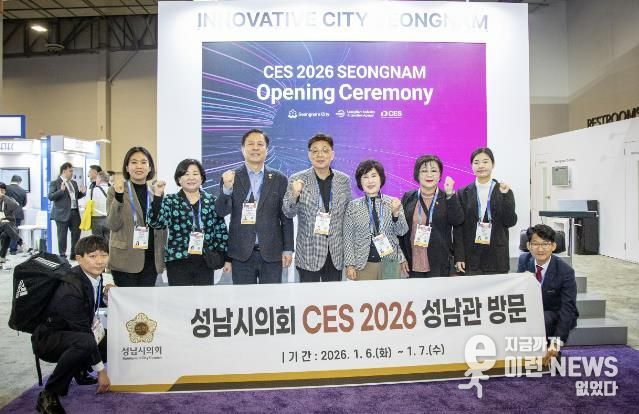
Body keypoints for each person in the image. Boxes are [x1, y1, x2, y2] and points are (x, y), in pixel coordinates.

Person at [31, 236, 112, 414]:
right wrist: (101, 372)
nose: (99, 261)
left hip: (70, 333)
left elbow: (90, 305)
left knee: (112, 339)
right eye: (93, 256)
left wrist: (108, 295)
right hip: (48, 340)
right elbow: (85, 332)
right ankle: (49, 394)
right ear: (79, 258)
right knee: (85, 342)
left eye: (104, 255)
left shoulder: (93, 276)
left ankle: (80, 370)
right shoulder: (70, 288)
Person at [216, 129, 294, 284]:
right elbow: (221, 211)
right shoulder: (231, 177)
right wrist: (226, 189)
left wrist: (288, 249)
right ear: (242, 149)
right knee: (243, 298)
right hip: (241, 254)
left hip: (272, 253)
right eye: (250, 144)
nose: (255, 148)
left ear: (267, 149)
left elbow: (286, 216)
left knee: (272, 297)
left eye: (260, 144)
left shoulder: (279, 179)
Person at [283, 133, 352, 283]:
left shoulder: (343, 180)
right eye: (315, 151)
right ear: (309, 155)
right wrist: (295, 194)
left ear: (332, 155)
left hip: (335, 254)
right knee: (308, 297)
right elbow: (288, 212)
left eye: (325, 150)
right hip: (308, 253)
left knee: (333, 297)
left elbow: (348, 218)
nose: (320, 155)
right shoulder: (297, 179)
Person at [148, 159, 229, 286]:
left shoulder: (212, 201)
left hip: (205, 260)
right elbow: (156, 223)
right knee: (180, 298)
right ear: (179, 179)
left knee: (203, 298)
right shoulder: (170, 201)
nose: (191, 177)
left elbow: (221, 231)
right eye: (186, 174)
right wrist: (158, 196)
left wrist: (225, 258)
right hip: (177, 260)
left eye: (195, 173)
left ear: (201, 178)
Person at [517, 224, 579, 365]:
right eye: (535, 244)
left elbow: (567, 309)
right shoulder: (524, 260)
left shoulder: (565, 271)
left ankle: (551, 350)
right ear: (528, 246)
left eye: (545, 244)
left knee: (544, 318)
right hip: (532, 309)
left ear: (553, 246)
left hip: (555, 313)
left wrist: (556, 342)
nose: (540, 249)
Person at [106, 147, 167, 287]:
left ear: (150, 167)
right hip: (125, 259)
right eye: (134, 162)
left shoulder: (154, 193)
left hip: (150, 259)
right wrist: (119, 197)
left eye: (143, 162)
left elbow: (160, 225)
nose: (139, 166)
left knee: (145, 300)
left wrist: (158, 199)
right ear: (127, 167)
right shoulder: (115, 190)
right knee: (126, 300)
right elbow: (112, 224)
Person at [453, 148, 517, 275]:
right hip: (470, 257)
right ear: (471, 166)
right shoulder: (462, 193)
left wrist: (505, 196)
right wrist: (459, 256)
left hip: (497, 256)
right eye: (476, 162)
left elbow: (510, 221)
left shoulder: (504, 190)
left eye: (485, 161)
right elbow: (458, 227)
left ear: (493, 164)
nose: (481, 166)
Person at [399, 155, 464, 278]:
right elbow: (401, 230)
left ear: (440, 175)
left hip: (439, 263)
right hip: (413, 262)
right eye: (424, 171)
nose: (429, 175)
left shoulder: (447, 197)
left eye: (434, 171)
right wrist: (401, 257)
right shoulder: (408, 197)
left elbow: (458, 222)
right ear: (417, 175)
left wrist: (450, 195)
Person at [344, 160, 408, 281]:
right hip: (363, 264)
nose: (370, 181)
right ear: (360, 181)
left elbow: (402, 231)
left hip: (390, 262)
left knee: (390, 294)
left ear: (381, 178)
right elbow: (348, 237)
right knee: (365, 294)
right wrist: (350, 264)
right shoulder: (353, 206)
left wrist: (395, 214)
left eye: (373, 176)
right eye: (365, 177)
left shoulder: (393, 202)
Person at [48, 163, 86, 259]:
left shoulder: (74, 183)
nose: (72, 173)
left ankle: (74, 254)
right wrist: (61, 191)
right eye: (70, 171)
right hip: (62, 214)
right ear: (64, 171)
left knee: (76, 234)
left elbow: (75, 197)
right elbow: (51, 196)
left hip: (74, 212)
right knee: (62, 236)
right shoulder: (55, 183)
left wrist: (82, 193)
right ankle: (62, 255)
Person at [0, 182, 22, 269]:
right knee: (5, 225)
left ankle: (1, 258)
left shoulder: (9, 199)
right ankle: (19, 241)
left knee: (6, 234)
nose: (0, 192)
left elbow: (15, 206)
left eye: (2, 190)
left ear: (5, 191)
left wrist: (4, 197)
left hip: (8, 226)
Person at [6, 175, 27, 255]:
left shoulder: (5, 188)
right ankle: (13, 250)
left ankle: (4, 248)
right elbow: (24, 203)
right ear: (19, 182)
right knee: (15, 231)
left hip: (6, 213)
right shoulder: (23, 191)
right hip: (18, 213)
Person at [90, 171, 110, 242]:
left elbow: (86, 205)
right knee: (109, 242)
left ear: (100, 179)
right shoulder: (113, 190)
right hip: (110, 219)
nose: (96, 180)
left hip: (96, 220)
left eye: (97, 178)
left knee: (97, 243)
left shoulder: (91, 191)